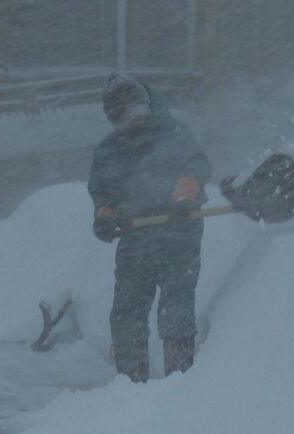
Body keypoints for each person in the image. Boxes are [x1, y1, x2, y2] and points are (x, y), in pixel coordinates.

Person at [88, 74, 212, 383]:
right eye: (126, 117)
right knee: (128, 308)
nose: (135, 121)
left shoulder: (174, 135)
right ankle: (131, 383)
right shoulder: (108, 151)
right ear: (114, 118)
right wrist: (105, 217)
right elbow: (102, 193)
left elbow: (194, 168)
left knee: (176, 303)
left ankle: (180, 377)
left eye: (138, 112)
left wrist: (185, 196)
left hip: (179, 230)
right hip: (135, 235)